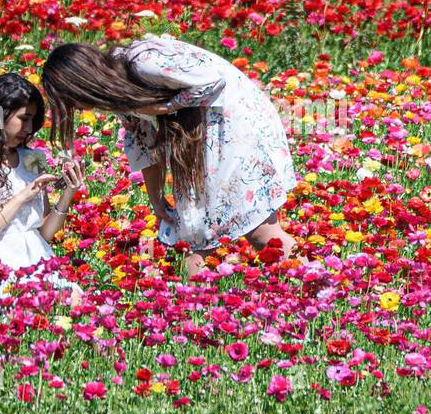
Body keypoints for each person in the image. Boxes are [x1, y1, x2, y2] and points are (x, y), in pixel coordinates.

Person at [41, 33, 298, 276]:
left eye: (71, 99)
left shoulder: (142, 62)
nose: (76, 107)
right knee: (195, 235)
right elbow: (141, 139)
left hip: (235, 126)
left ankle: (306, 279)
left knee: (259, 232)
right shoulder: (118, 88)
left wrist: (166, 107)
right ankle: (195, 309)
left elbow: (212, 79)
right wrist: (155, 198)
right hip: (203, 137)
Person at [0, 72, 85, 305]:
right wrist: (20, 197)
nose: (29, 128)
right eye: (24, 118)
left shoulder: (33, 158)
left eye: (33, 120)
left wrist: (69, 192)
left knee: (74, 303)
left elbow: (43, 233)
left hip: (36, 260)